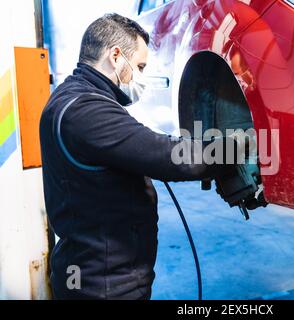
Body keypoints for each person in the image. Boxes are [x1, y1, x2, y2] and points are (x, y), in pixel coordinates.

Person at [40, 13, 228, 300]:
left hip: (91, 271)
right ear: (116, 56)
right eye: (139, 66)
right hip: (102, 284)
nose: (139, 76)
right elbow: (168, 156)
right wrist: (235, 148)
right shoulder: (85, 110)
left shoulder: (71, 97)